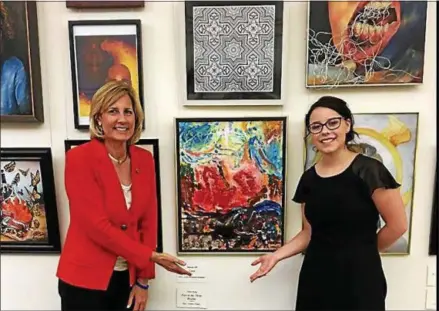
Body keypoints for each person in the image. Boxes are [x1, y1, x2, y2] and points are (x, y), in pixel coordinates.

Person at [249, 96, 407, 310]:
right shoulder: (309, 179)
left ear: (347, 124)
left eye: (332, 122)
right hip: (316, 277)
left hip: (360, 280)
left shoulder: (370, 171)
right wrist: (276, 257)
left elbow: (397, 226)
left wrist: (362, 253)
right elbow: (308, 232)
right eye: (316, 126)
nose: (325, 131)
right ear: (311, 134)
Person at [56, 80, 191, 311]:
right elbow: (96, 226)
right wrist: (151, 256)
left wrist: (143, 280)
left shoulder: (144, 160)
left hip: (127, 279)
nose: (122, 119)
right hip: (84, 281)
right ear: (99, 118)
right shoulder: (79, 159)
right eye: (113, 111)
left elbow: (148, 223)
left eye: (128, 112)